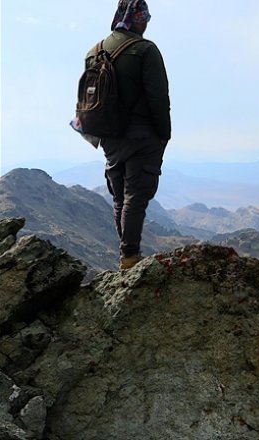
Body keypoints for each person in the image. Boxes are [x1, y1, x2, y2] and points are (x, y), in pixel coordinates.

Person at [86, 0, 170, 269]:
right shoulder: (145, 50)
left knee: (120, 197)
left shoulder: (95, 51)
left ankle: (127, 255)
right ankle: (130, 256)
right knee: (136, 194)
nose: (146, 23)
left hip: (108, 136)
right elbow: (158, 97)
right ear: (138, 19)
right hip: (142, 135)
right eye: (145, 18)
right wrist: (163, 134)